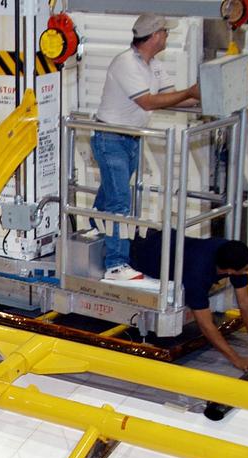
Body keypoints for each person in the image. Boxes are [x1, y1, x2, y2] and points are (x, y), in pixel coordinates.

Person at [92, 14, 199, 282]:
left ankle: (95, 231)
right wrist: (189, 93)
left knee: (109, 196)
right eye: (164, 32)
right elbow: (149, 102)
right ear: (154, 36)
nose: (167, 36)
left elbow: (169, 98)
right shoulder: (125, 63)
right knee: (119, 201)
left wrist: (204, 100)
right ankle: (116, 264)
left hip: (130, 139)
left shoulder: (154, 65)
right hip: (111, 138)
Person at [130, 229, 248, 374]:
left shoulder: (233, 255)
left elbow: (245, 300)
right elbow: (205, 324)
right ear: (230, 271)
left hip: (166, 239)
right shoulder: (197, 275)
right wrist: (237, 360)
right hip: (142, 250)